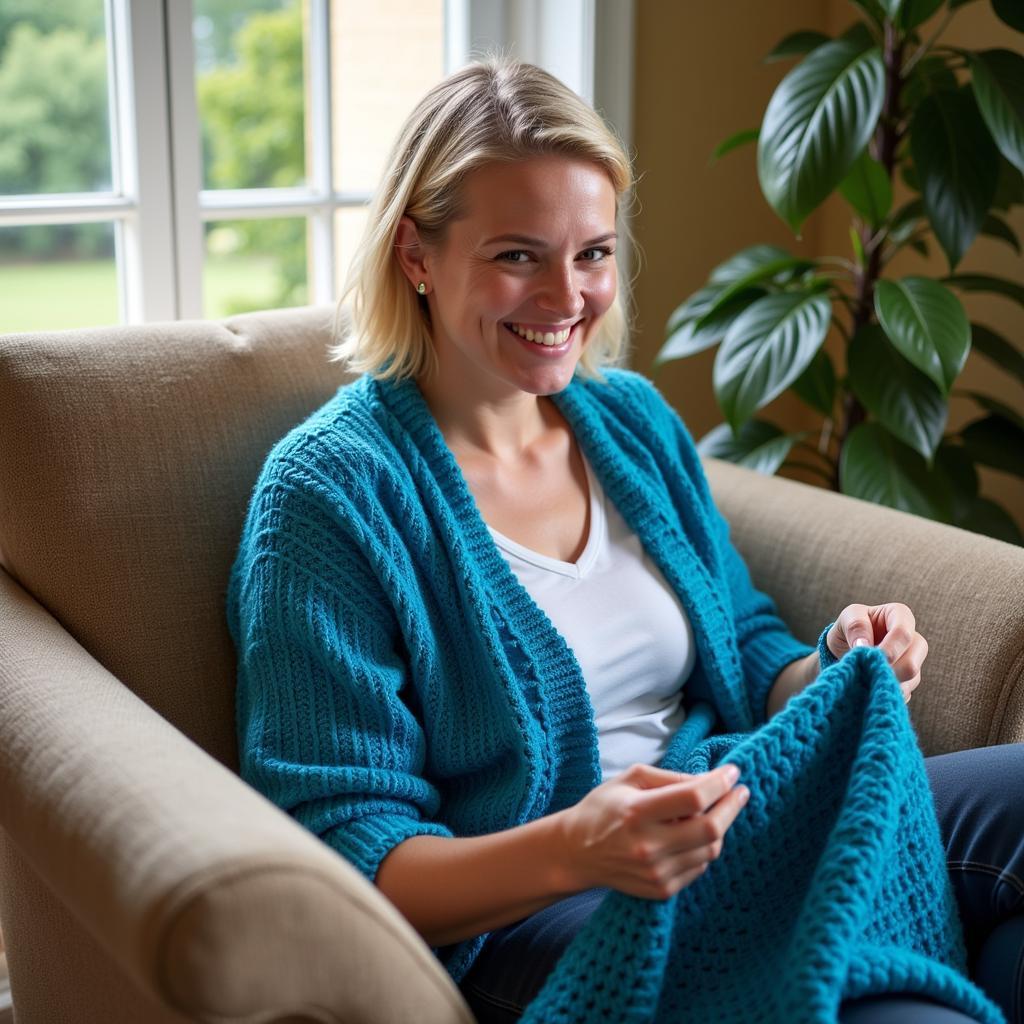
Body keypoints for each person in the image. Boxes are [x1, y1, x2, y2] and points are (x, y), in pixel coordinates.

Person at [226, 58, 1023, 1024]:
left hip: (734, 803)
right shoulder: (329, 496)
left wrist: (839, 660)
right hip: (542, 915)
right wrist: (575, 848)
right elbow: (349, 853)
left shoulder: (630, 420)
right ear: (416, 255)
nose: (567, 296)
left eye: (593, 253)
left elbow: (747, 644)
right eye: (518, 255)